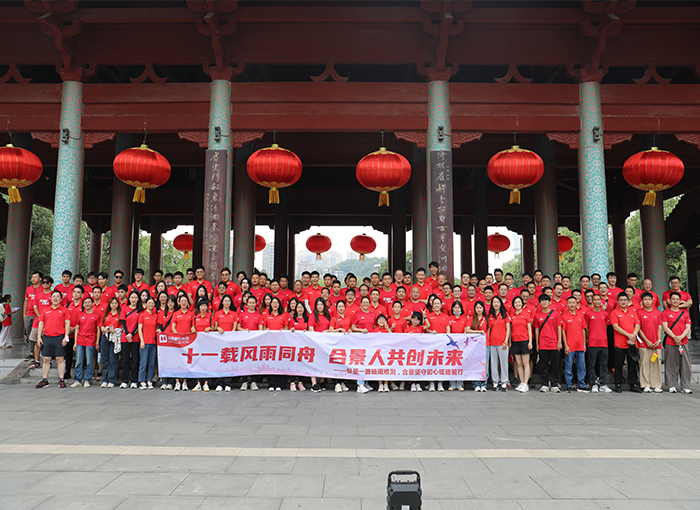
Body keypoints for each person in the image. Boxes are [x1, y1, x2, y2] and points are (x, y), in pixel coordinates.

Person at [35, 290, 70, 389]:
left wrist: (66, 337)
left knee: (60, 358)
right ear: (50, 298)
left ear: (61, 299)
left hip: (59, 337)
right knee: (46, 359)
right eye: (53, 296)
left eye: (57, 296)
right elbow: (41, 323)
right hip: (47, 337)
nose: (55, 298)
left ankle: (61, 379)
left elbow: (67, 323)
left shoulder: (64, 310)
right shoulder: (45, 310)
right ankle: (45, 380)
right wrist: (39, 337)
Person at [609, 293, 641, 393]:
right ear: (618, 301)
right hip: (620, 343)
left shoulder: (632, 311)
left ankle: (633, 384)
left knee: (632, 364)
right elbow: (615, 327)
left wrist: (633, 335)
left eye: (625, 300)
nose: (623, 302)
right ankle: (618, 384)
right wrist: (629, 335)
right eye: (621, 300)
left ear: (628, 301)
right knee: (619, 364)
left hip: (632, 343)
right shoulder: (614, 312)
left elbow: (637, 325)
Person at [662, 292, 693, 393]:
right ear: (670, 301)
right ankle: (672, 385)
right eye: (673, 299)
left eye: (677, 299)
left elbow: (688, 327)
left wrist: (681, 337)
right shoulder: (665, 313)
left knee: (685, 364)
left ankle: (686, 386)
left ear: (680, 301)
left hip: (683, 342)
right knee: (671, 364)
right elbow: (665, 327)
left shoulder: (685, 313)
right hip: (670, 341)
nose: (675, 301)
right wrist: (674, 337)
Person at [533, 294, 563, 393]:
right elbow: (536, 330)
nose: (544, 302)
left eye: (546, 300)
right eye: (542, 300)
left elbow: (559, 328)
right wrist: (537, 344)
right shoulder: (537, 315)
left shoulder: (556, 314)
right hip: (543, 343)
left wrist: (559, 341)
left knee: (555, 365)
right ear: (540, 303)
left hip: (554, 343)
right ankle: (544, 384)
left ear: (550, 302)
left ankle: (554, 384)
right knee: (544, 365)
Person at [71, 296, 101, 388]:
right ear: (83, 304)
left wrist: (97, 342)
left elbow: (98, 329)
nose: (87, 304)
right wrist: (75, 342)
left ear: (92, 304)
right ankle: (78, 380)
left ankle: (87, 379)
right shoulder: (80, 315)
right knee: (78, 361)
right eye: (85, 302)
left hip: (90, 340)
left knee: (89, 362)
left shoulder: (96, 316)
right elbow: (77, 328)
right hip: (80, 340)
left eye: (89, 302)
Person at [584, 294, 612, 393]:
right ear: (592, 301)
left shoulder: (605, 314)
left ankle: (603, 383)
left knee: (603, 364)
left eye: (598, 300)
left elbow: (606, 326)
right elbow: (586, 327)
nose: (596, 301)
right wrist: (588, 338)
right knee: (591, 365)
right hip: (592, 342)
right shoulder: (588, 313)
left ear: (601, 301)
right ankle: (593, 383)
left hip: (604, 342)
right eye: (595, 300)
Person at [637, 292, 663, 393]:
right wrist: (646, 341)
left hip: (656, 343)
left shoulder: (657, 312)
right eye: (645, 299)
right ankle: (645, 384)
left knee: (656, 363)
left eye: (649, 299)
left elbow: (659, 326)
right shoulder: (639, 312)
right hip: (644, 344)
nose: (647, 301)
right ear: (642, 301)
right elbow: (638, 328)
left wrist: (659, 340)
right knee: (644, 364)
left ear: (652, 301)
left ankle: (656, 385)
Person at [562, 296, 588, 393]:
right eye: (570, 303)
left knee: (582, 366)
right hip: (570, 345)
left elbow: (583, 329)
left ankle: (581, 384)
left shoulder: (580, 315)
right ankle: (569, 384)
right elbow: (563, 332)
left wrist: (584, 344)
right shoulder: (564, 316)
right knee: (568, 366)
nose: (572, 304)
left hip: (580, 345)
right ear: (567, 304)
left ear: (576, 304)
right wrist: (566, 345)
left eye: (573, 302)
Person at [213, 294, 238, 392]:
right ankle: (220, 383)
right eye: (225, 301)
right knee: (220, 362)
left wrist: (230, 337)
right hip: (219, 340)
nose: (227, 303)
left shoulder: (234, 314)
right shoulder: (217, 314)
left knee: (229, 362)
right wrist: (218, 328)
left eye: (229, 301)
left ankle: (228, 383)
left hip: (230, 341)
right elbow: (215, 327)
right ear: (222, 302)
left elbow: (234, 328)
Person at [238, 295, 262, 391]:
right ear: (246, 304)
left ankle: (253, 382)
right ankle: (244, 382)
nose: (251, 304)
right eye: (250, 303)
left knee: (254, 362)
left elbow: (260, 329)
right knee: (244, 361)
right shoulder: (242, 314)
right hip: (244, 341)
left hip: (255, 342)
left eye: (253, 303)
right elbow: (238, 327)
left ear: (256, 304)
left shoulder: (259, 315)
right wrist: (244, 330)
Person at [263, 297, 288, 392]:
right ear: (270, 304)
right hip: (270, 344)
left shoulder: (284, 315)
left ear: (279, 304)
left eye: (277, 302)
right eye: (273, 302)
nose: (275, 304)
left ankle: (279, 384)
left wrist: (283, 330)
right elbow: (263, 329)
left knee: (280, 364)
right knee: (270, 364)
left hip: (281, 343)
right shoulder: (266, 315)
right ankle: (271, 384)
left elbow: (286, 328)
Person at [487, 296, 511, 392]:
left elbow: (508, 328)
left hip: (503, 343)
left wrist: (506, 341)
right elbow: (488, 330)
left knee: (504, 363)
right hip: (492, 343)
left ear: (501, 303)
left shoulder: (505, 314)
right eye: (494, 302)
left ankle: (504, 382)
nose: (496, 304)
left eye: (497, 302)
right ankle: (495, 382)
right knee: (493, 363)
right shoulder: (490, 315)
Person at [172, 294, 195, 391]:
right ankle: (177, 382)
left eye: (185, 301)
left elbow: (193, 326)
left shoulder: (191, 314)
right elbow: (173, 327)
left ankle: (184, 382)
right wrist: (178, 337)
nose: (184, 303)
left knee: (186, 362)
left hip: (188, 341)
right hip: (178, 342)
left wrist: (193, 329)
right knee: (177, 361)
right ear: (179, 303)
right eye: (182, 301)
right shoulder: (176, 314)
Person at [119, 291, 142, 389]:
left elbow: (139, 325)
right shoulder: (125, 309)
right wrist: (128, 334)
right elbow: (123, 323)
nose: (133, 300)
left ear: (138, 299)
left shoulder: (140, 310)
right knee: (125, 360)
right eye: (132, 297)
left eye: (135, 298)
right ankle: (124, 381)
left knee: (135, 360)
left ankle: (134, 380)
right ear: (129, 298)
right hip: (125, 338)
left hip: (135, 338)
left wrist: (132, 334)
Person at [509, 296, 532, 393]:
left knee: (525, 363)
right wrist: (510, 341)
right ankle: (522, 382)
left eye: (519, 302)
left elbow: (529, 328)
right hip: (515, 341)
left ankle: (526, 383)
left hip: (524, 340)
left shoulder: (526, 314)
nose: (517, 304)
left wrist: (530, 341)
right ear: (513, 304)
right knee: (518, 363)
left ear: (522, 303)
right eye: (516, 302)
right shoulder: (512, 315)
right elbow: (510, 329)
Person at [191, 298, 213, 392]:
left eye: (205, 306)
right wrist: (192, 328)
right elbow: (193, 326)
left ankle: (206, 383)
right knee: (198, 362)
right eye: (201, 306)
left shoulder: (210, 316)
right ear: (199, 307)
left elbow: (214, 327)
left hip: (207, 343)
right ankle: (198, 383)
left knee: (207, 362)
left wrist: (210, 328)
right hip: (197, 342)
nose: (203, 308)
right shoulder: (196, 316)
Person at [466, 301, 488, 391]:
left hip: (485, 345)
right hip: (474, 346)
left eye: (480, 308)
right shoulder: (472, 318)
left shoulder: (485, 319)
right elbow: (467, 330)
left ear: (483, 309)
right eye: (477, 308)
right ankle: (475, 384)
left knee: (485, 365)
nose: (479, 309)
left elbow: (488, 331)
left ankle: (483, 384)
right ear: (475, 309)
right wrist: (478, 332)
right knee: (475, 364)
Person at [138, 296, 158, 390]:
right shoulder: (142, 315)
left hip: (153, 342)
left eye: (152, 303)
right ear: (146, 304)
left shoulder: (155, 315)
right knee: (143, 362)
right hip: (145, 342)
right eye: (149, 303)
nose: (151, 304)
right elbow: (140, 329)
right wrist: (142, 340)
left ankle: (149, 380)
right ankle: (142, 381)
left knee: (151, 363)